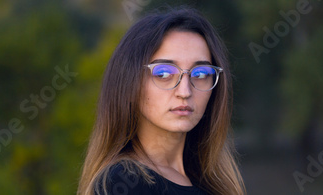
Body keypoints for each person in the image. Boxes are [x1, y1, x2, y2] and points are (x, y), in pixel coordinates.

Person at [78, 7, 245, 195]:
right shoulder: (123, 182)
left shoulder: (214, 182)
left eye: (201, 74)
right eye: (164, 73)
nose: (185, 91)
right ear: (129, 81)